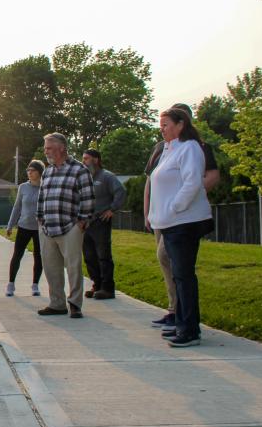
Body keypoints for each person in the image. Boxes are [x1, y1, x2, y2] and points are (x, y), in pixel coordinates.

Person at [144, 102, 220, 332]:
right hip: (168, 221)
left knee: (184, 275)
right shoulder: (168, 149)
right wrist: (152, 211)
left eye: (165, 125)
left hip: (183, 221)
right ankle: (179, 318)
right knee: (177, 272)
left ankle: (188, 327)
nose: (162, 129)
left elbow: (193, 182)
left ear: (181, 124)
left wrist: (175, 206)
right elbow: (153, 181)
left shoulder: (192, 148)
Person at [36, 133, 95, 318]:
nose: (46, 151)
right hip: (47, 227)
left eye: (49, 147)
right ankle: (57, 304)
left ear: (61, 148)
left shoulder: (79, 170)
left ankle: (75, 304)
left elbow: (88, 198)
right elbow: (42, 196)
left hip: (70, 227)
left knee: (73, 267)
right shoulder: (47, 171)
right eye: (45, 148)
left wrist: (82, 221)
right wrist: (39, 217)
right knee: (51, 268)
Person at [81, 149, 126, 300]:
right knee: (89, 256)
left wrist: (112, 209)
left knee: (103, 256)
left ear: (96, 160)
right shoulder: (84, 178)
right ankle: (97, 285)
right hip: (86, 222)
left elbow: (120, 192)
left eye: (86, 159)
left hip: (101, 222)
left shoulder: (107, 176)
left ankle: (107, 288)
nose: (84, 162)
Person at [5, 160, 45, 297]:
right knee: (17, 255)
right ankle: (10, 284)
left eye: (32, 170)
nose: (29, 173)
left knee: (39, 257)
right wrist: (10, 225)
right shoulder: (23, 187)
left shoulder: (46, 187)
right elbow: (17, 207)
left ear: (39, 172)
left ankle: (35, 285)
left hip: (40, 228)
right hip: (24, 226)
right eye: (28, 170)